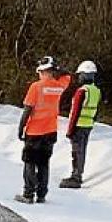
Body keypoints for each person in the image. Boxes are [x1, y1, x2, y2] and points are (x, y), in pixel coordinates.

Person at [15, 56, 72, 204]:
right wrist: (57, 69)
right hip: (50, 131)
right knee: (44, 163)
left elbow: (27, 109)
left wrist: (21, 128)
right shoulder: (59, 86)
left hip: (34, 132)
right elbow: (67, 75)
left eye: (40, 72)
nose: (39, 75)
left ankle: (28, 194)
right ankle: (41, 195)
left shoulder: (36, 87)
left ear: (43, 72)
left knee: (29, 163)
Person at [60, 60, 101, 189]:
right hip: (88, 125)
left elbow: (75, 112)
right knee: (82, 151)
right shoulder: (96, 91)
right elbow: (96, 111)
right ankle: (78, 174)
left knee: (77, 152)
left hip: (78, 125)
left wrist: (70, 130)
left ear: (83, 75)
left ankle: (76, 177)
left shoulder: (81, 91)